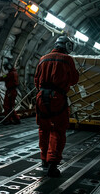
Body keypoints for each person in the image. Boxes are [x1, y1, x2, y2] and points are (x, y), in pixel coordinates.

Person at [34, 35, 79, 177]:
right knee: (57, 131)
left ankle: (44, 160)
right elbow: (74, 79)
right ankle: (52, 164)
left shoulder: (43, 58)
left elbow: (36, 80)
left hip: (41, 97)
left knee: (43, 128)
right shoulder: (67, 60)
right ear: (67, 47)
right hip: (57, 98)